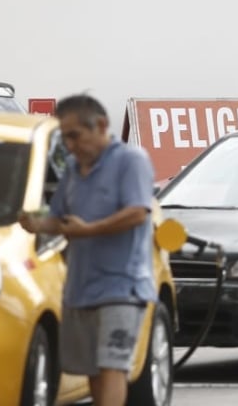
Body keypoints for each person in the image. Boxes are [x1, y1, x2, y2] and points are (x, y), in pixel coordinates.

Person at [19, 94, 156, 406]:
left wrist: (90, 230)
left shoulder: (130, 161)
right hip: (81, 288)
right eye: (64, 137)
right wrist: (36, 223)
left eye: (74, 135)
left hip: (122, 286)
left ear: (101, 126)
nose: (69, 144)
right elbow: (59, 218)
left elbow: (137, 212)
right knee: (93, 370)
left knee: (112, 365)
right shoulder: (72, 169)